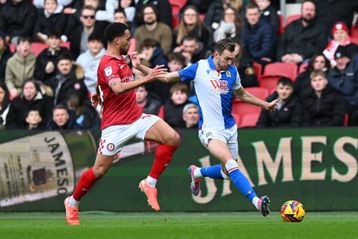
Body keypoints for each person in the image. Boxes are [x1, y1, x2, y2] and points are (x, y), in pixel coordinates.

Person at [64, 23, 180, 225]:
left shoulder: (121, 60)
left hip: (135, 117)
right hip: (115, 126)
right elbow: (117, 88)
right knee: (99, 170)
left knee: (172, 138)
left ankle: (149, 183)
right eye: (128, 38)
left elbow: (106, 86)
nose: (131, 41)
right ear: (117, 40)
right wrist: (147, 78)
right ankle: (72, 202)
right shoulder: (108, 62)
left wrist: (99, 94)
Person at [162, 38, 277, 216]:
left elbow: (242, 94)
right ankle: (257, 201)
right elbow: (168, 77)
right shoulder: (199, 68)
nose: (230, 62)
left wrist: (264, 104)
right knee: (231, 164)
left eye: (233, 58)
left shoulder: (232, 72)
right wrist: (141, 69)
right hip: (209, 130)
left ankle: (197, 172)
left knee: (227, 172)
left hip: (229, 129)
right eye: (227, 58)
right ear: (216, 55)